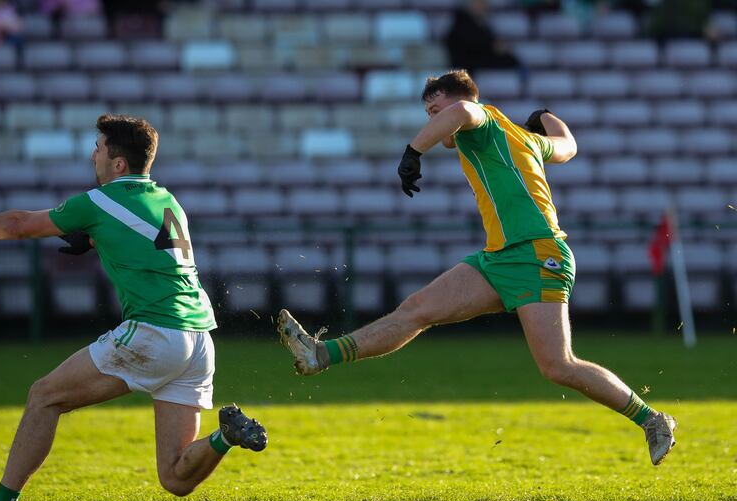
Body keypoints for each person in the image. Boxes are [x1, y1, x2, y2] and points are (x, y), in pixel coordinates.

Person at [277, 70, 676, 467]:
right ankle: (321, 355)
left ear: (457, 99)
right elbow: (567, 146)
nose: (435, 121)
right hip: (499, 257)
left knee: (557, 365)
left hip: (537, 254)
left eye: (435, 110)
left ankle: (653, 420)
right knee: (417, 310)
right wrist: (545, 114)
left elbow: (466, 111)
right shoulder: (525, 137)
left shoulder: (481, 119)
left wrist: (413, 151)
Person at [0, 114, 267, 501]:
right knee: (175, 478)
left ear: (118, 164)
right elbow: (143, 242)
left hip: (154, 331)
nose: (92, 154)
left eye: (99, 147)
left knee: (44, 397)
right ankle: (225, 435)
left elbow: (21, 225)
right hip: (198, 339)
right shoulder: (168, 200)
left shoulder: (100, 200)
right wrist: (93, 240)